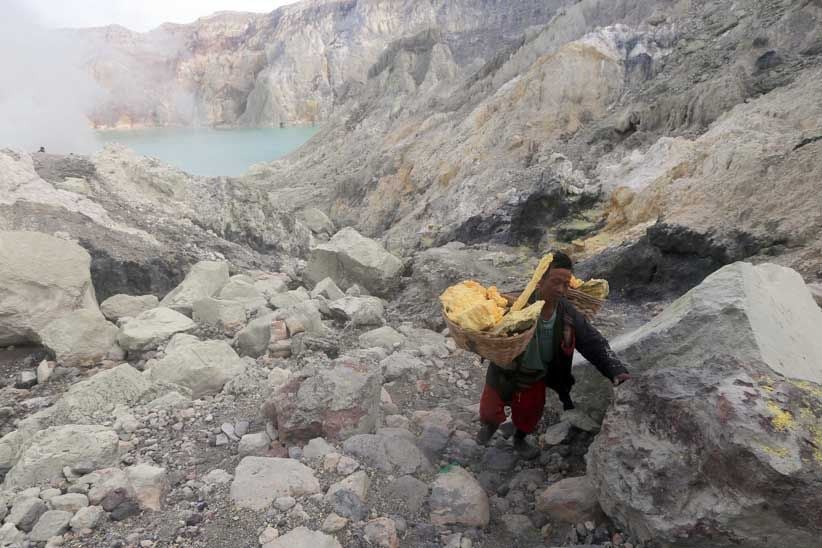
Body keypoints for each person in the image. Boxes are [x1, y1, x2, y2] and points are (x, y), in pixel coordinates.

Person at [476, 251, 631, 459]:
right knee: (489, 411)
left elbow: (593, 341)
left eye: (566, 284)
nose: (560, 289)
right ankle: (490, 426)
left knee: (529, 415)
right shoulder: (515, 303)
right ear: (540, 280)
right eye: (555, 282)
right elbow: (486, 327)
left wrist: (616, 369)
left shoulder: (567, 313)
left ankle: (519, 438)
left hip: (537, 375)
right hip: (505, 371)